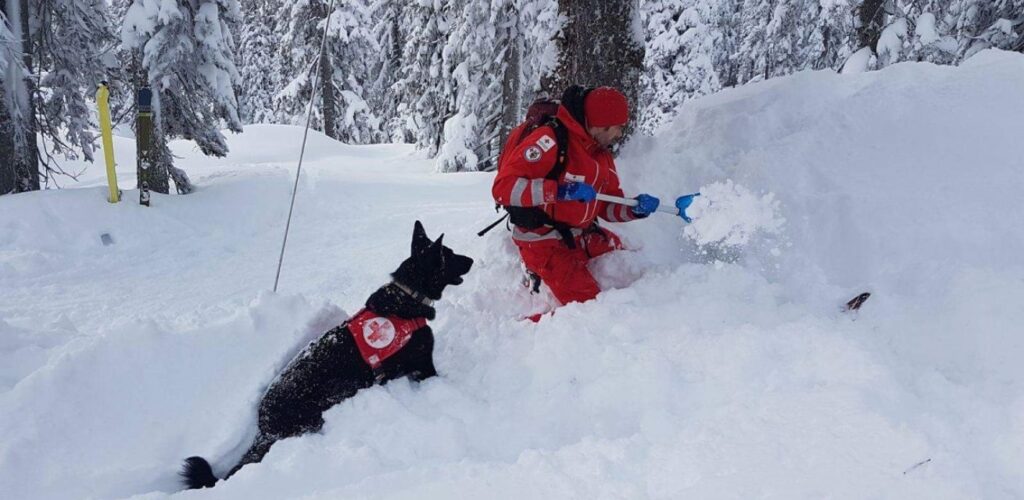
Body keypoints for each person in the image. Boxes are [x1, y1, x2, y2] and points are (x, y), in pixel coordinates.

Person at [491, 86, 660, 311]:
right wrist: (560, 192)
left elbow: (606, 205)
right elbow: (503, 188)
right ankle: (528, 328)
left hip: (580, 235)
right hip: (542, 240)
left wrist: (634, 209)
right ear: (603, 123)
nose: (620, 134)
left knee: (631, 260)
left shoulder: (601, 154)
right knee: (588, 307)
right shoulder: (549, 140)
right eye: (619, 127)